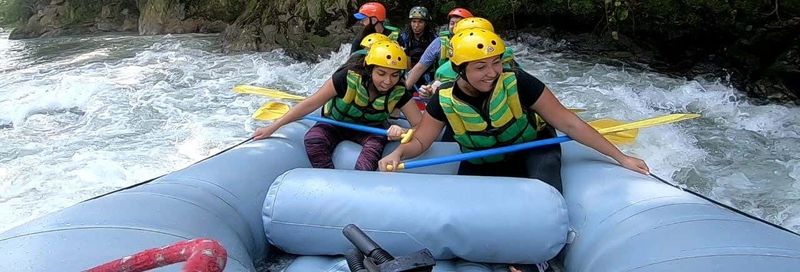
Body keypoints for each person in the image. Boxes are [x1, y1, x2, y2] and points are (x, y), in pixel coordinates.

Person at [378, 29, 649, 189]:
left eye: (495, 63)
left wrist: (621, 158)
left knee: (545, 188)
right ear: (460, 69)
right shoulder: (444, 98)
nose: (492, 73)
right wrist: (400, 151)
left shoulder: (518, 82)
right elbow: (423, 139)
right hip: (483, 157)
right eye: (480, 67)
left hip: (532, 148)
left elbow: (568, 123)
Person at [253, 41, 422, 171]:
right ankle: (328, 177)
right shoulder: (345, 78)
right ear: (369, 69)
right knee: (314, 139)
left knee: (373, 149)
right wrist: (273, 127)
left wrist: (404, 132)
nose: (387, 81)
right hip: (335, 124)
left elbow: (419, 124)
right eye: (381, 73)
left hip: (370, 129)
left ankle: (358, 184)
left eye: (394, 75)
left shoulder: (399, 90)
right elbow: (311, 103)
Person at [403, 7, 473, 91]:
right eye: (452, 23)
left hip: (470, 84)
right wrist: (404, 91)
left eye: (458, 23)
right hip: (443, 83)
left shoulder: (477, 43)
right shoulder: (439, 42)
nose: (454, 26)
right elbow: (420, 67)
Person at [398, 6, 437, 89]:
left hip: (429, 72)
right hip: (409, 71)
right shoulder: (404, 37)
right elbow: (405, 59)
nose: (416, 25)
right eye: (414, 21)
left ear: (425, 23)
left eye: (420, 22)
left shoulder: (433, 38)